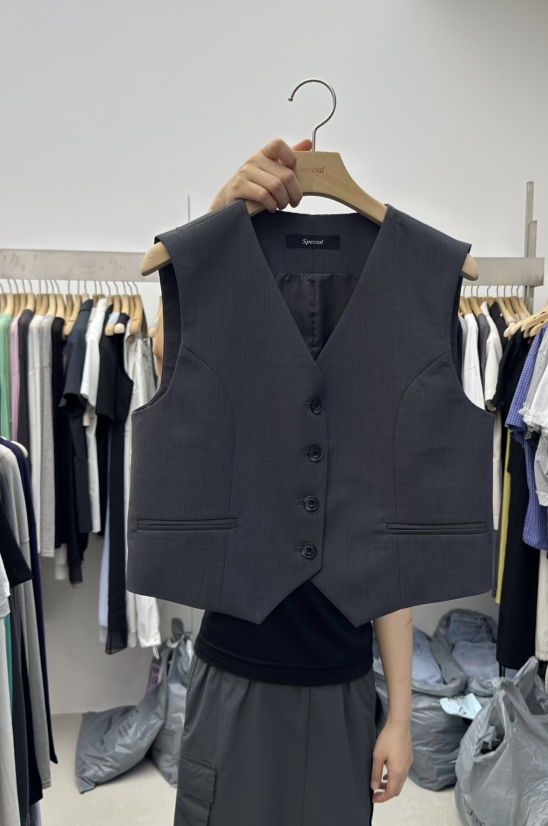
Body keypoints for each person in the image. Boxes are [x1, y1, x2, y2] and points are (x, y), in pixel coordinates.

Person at [171, 139, 414, 826]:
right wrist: (222, 213)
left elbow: (388, 560)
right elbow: (174, 352)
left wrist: (401, 715)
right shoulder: (230, 353)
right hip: (235, 680)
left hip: (342, 688)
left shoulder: (382, 367)